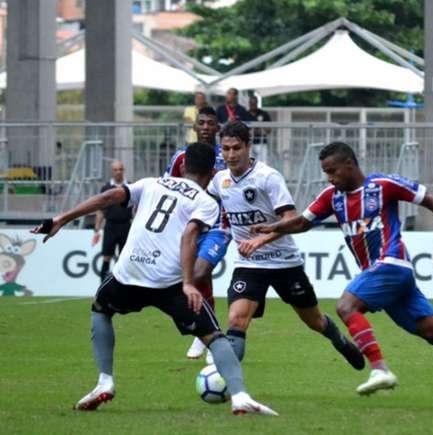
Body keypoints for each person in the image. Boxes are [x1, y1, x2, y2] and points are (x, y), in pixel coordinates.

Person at [251, 141, 433, 406]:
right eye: (325, 172)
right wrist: (273, 228)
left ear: (349, 164)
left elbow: (430, 201)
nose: (329, 178)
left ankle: (380, 369)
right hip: (385, 276)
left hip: (392, 263)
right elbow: (301, 222)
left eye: (332, 171)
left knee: (346, 306)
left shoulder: (383, 185)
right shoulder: (332, 198)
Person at [31, 143, 277, 416]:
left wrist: (61, 218)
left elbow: (107, 198)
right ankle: (240, 397)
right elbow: (189, 236)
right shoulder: (206, 202)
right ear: (213, 172)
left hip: (129, 274)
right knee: (215, 337)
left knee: (100, 310)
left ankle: (105, 381)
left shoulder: (151, 183)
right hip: (167, 282)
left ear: (183, 166)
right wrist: (187, 283)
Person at [207, 121, 364, 370]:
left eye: (237, 148)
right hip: (249, 264)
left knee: (315, 322)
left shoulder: (267, 177)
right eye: (225, 149)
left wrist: (260, 239)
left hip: (284, 262)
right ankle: (230, 386)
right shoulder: (219, 181)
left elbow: (291, 218)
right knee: (236, 320)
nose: (231, 155)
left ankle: (340, 341)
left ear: (248, 147)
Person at [165, 106, 230, 362]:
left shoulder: (227, 157)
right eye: (200, 122)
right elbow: (168, 187)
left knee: (200, 273)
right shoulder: (181, 157)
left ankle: (206, 333)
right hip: (188, 226)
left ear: (217, 128)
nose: (205, 127)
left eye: (210, 123)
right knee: (197, 279)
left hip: (218, 226)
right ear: (194, 127)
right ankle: (206, 333)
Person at [91, 160, 133, 281]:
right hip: (110, 226)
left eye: (120, 169)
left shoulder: (129, 186)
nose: (118, 172)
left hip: (126, 225)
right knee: (106, 257)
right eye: (115, 170)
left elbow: (137, 208)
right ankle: (102, 288)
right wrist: (97, 229)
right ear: (112, 172)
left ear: (123, 170)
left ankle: (123, 288)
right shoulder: (106, 187)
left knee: (125, 259)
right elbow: (101, 210)